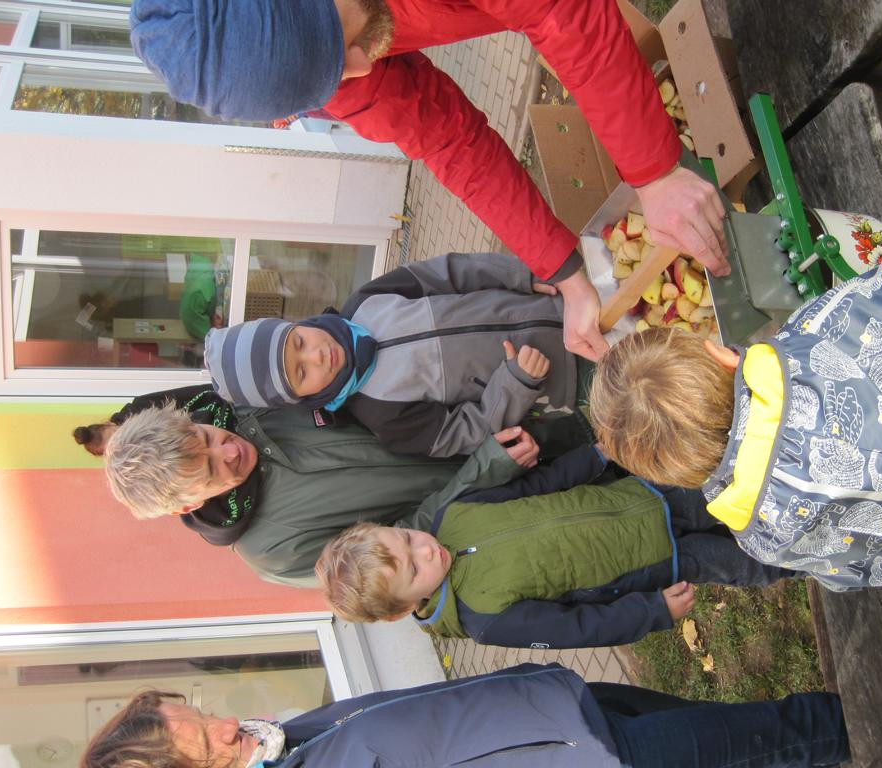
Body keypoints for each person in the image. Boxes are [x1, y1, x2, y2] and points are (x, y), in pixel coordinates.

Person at [128, 0, 732, 363]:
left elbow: (557, 11)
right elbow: (447, 140)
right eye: (334, 74)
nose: (361, 66)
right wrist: (567, 275)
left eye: (340, 45)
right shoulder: (333, 65)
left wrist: (654, 170)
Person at [590, 234, 882, 591]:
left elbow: (861, 572)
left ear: (676, 473)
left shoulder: (763, 538)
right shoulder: (820, 334)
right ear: (718, 353)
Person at [316, 442, 794, 647]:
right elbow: (577, 628)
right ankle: (806, 558)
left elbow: (536, 487)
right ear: (404, 608)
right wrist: (650, 612)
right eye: (413, 569)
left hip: (643, 496)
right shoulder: (484, 619)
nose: (425, 550)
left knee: (740, 489)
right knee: (750, 560)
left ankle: (803, 498)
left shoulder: (453, 516)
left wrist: (595, 456)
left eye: (406, 536)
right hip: (659, 561)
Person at [80, 663, 850, 768]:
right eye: (205, 744)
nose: (226, 726)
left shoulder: (281, 742)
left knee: (760, 736)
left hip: (561, 709)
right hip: (589, 760)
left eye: (200, 714)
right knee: (793, 732)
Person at [204, 252, 591, 458]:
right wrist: (516, 384)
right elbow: (467, 433)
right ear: (303, 399)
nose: (317, 356)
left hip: (566, 302)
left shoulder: (366, 301)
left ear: (294, 323)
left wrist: (521, 274)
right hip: (572, 375)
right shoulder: (383, 417)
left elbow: (451, 273)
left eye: (299, 343)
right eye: (301, 374)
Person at [104, 400, 538, 584]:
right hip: (509, 499)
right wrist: (483, 471)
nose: (230, 450)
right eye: (212, 468)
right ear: (190, 503)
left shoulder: (256, 404)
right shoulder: (271, 551)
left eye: (206, 436)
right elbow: (399, 551)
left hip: (493, 410)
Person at [73, 384, 216, 457]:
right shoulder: (139, 463)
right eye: (116, 448)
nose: (124, 441)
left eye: (119, 435)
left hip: (216, 413)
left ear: (109, 423)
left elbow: (189, 394)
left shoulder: (139, 406)